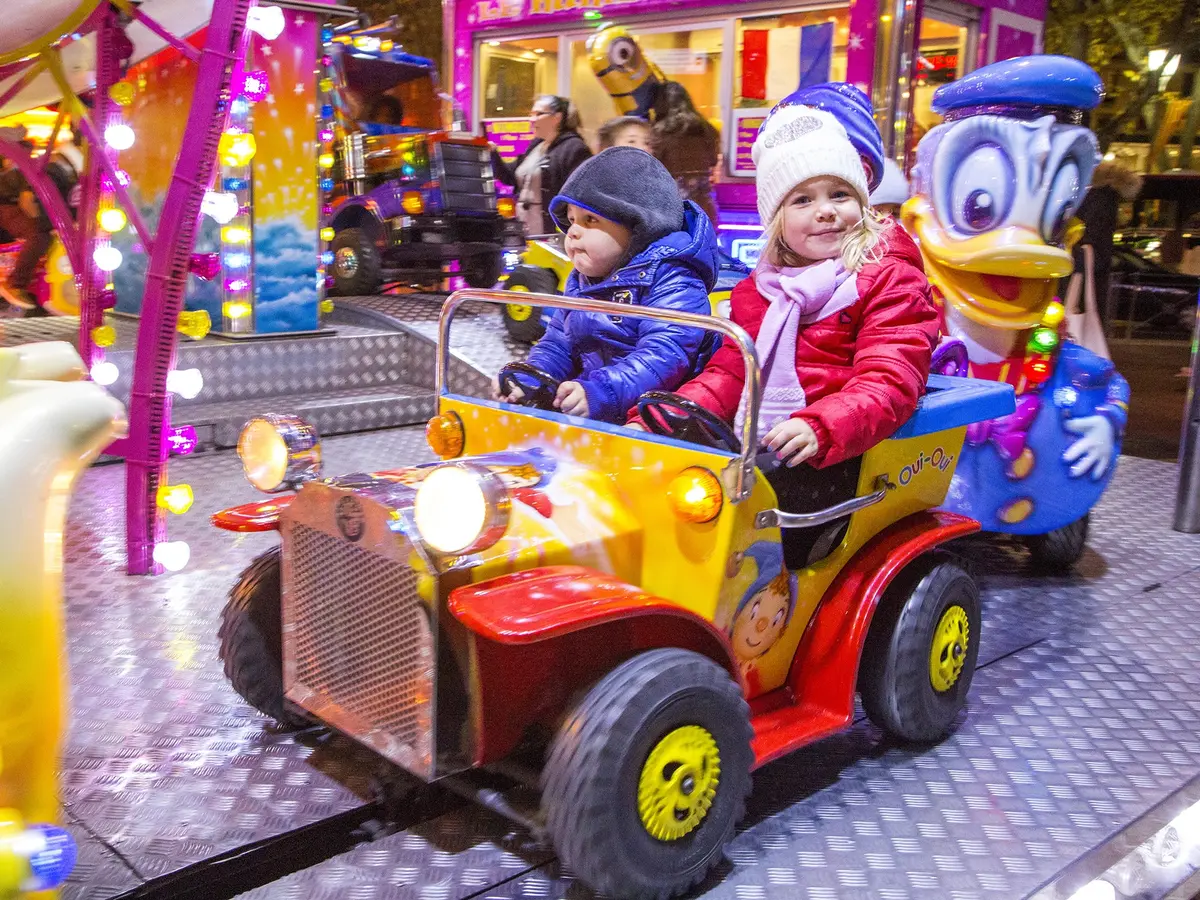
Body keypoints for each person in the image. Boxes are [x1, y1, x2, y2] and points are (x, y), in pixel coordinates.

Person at [631, 89, 939, 470]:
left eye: (840, 194)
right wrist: (664, 418)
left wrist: (821, 426)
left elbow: (889, 378)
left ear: (862, 202)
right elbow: (732, 373)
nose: (825, 210)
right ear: (777, 222)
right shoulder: (760, 289)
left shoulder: (887, 277)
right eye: (803, 200)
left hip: (844, 452)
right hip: (769, 446)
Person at [493, 146, 719, 424]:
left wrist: (602, 391)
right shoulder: (582, 279)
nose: (573, 231)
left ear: (639, 227)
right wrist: (530, 378)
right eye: (572, 220)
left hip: (657, 417)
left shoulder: (674, 277)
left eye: (591, 220)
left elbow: (663, 355)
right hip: (598, 409)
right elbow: (558, 344)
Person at [493, 95, 591, 236]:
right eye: (531, 114)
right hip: (525, 227)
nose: (532, 119)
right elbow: (509, 177)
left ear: (556, 118)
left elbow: (577, 196)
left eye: (538, 114)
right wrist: (493, 153)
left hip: (551, 231)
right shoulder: (536, 145)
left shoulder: (574, 148)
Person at [650, 82, 720, 225]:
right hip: (703, 205)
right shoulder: (707, 128)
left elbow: (652, 167)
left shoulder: (657, 132)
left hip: (671, 207)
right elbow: (713, 160)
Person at [0, 148, 53, 316]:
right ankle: (16, 284)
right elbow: (26, 201)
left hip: (10, 206)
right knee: (39, 235)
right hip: (7, 207)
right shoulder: (20, 170)